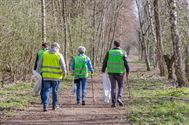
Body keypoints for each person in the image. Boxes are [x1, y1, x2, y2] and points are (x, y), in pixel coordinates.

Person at [37, 42, 67, 111]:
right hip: (56, 77)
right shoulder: (59, 55)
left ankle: (45, 105)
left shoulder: (45, 54)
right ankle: (54, 105)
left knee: (46, 91)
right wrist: (64, 74)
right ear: (57, 48)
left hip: (46, 76)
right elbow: (63, 66)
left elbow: (39, 64)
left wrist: (38, 72)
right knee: (55, 91)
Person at [102, 40, 129, 107]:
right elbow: (126, 62)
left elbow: (105, 61)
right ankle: (119, 98)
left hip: (111, 72)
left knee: (113, 87)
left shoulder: (109, 52)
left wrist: (103, 70)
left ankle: (113, 103)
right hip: (120, 73)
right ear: (119, 45)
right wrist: (128, 70)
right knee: (121, 86)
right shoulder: (123, 52)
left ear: (114, 45)